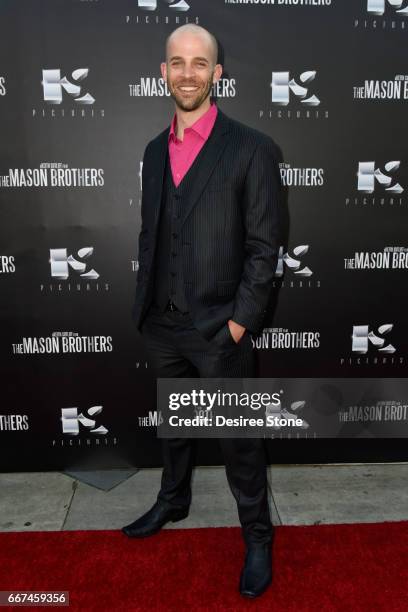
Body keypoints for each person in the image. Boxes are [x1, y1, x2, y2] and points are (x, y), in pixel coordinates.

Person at [123, 24, 281, 599]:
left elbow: (265, 250)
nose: (187, 72)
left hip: (220, 327)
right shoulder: (151, 151)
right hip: (162, 322)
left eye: (199, 63)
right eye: (176, 62)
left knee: (239, 439)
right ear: (162, 72)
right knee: (175, 425)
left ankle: (258, 536)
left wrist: (239, 321)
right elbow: (152, 234)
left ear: (218, 73)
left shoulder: (253, 148)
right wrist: (147, 305)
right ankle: (174, 499)